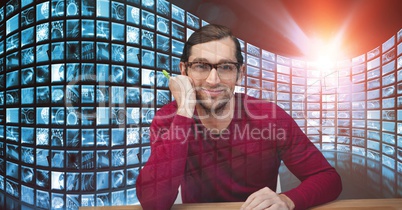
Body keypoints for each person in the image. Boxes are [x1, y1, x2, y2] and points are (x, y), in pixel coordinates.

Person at [136, 24, 342, 210]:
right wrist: (184, 111)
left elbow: (328, 179)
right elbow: (153, 203)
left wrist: (288, 200)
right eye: (201, 66)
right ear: (183, 70)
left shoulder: (270, 118)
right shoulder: (168, 118)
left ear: (240, 73)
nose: (212, 80)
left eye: (225, 67)